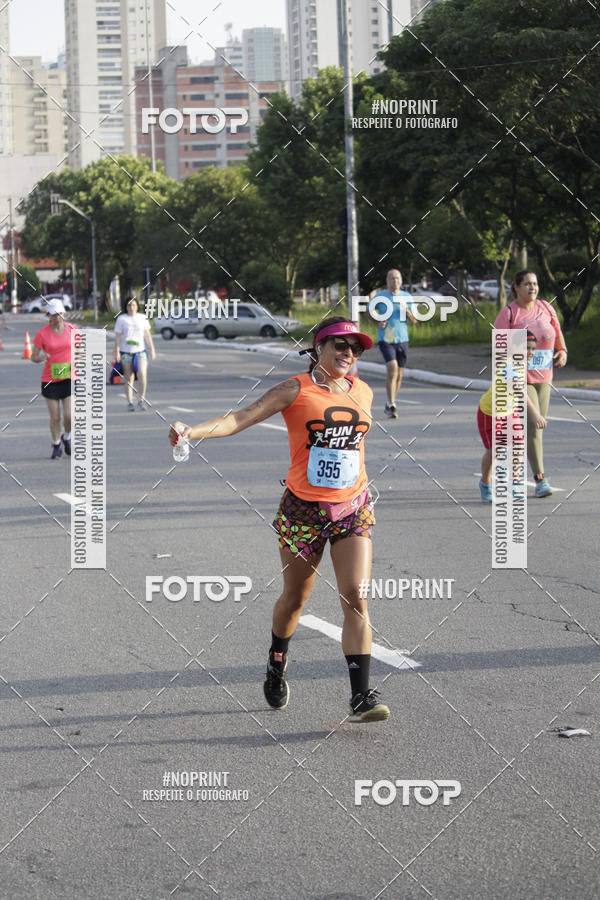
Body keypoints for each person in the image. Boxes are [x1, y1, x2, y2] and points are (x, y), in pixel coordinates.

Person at [169, 317, 390, 723]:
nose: (347, 354)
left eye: (355, 349)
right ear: (318, 348)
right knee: (295, 599)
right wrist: (191, 431)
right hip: (302, 512)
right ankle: (276, 662)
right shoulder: (294, 389)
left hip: (351, 508)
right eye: (339, 345)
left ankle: (361, 696)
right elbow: (240, 418)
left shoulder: (364, 392)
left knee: (356, 597)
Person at [494, 271, 567, 497]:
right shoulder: (509, 314)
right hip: (520, 378)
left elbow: (556, 331)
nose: (532, 288)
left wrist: (562, 350)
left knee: (533, 430)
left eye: (535, 284)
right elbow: (500, 350)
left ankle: (510, 476)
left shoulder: (546, 307)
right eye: (527, 284)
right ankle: (540, 480)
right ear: (516, 287)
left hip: (545, 377)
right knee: (534, 426)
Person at [477, 331, 547, 501]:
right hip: (490, 412)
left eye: (532, 349)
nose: (530, 353)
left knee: (518, 444)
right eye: (526, 348)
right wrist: (535, 414)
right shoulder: (509, 365)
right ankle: (485, 484)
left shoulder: (521, 364)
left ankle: (515, 483)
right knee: (495, 450)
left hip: (509, 410)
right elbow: (519, 391)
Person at [31, 298, 78, 459]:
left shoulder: (73, 329)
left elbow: (81, 349)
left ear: (63, 314)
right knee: (55, 416)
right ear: (48, 316)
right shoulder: (42, 334)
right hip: (50, 380)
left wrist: (78, 360)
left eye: (59, 314)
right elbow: (33, 356)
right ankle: (57, 443)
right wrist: (41, 357)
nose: (56, 317)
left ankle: (67, 436)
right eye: (52, 315)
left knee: (69, 415)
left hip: (69, 377)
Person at [369, 268, 418, 418]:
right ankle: (391, 404)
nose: (394, 281)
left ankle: (391, 402)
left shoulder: (407, 297)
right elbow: (368, 312)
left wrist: (407, 311)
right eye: (391, 278)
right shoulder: (380, 297)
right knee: (392, 369)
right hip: (386, 339)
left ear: (401, 281)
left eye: (397, 278)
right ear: (387, 281)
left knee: (399, 375)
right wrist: (378, 321)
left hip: (402, 339)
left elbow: (415, 320)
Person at [114, 298, 155, 410]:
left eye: (133, 305)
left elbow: (147, 334)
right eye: (129, 305)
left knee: (142, 374)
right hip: (126, 352)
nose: (131, 308)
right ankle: (130, 401)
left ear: (137, 306)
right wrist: (117, 352)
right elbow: (117, 337)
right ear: (126, 307)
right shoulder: (121, 319)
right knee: (129, 376)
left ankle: (141, 399)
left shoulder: (142, 318)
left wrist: (152, 349)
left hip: (140, 351)